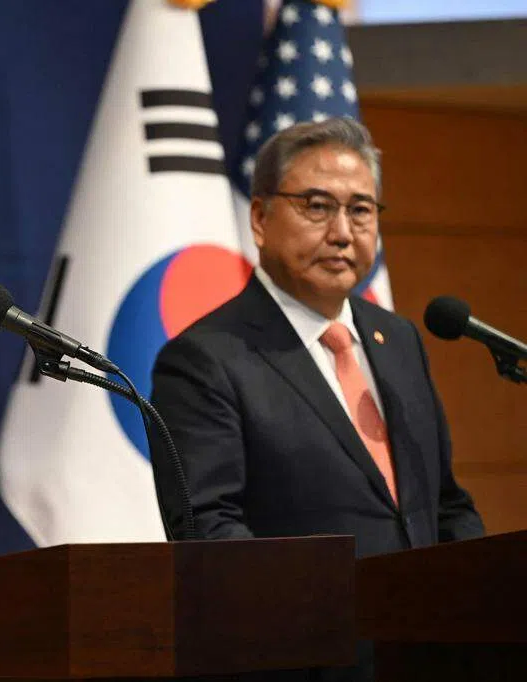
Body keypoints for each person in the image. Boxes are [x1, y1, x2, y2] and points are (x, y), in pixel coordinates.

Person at [149, 118, 484, 681]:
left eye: (361, 210)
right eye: (317, 206)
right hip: (305, 661)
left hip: (427, 655)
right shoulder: (205, 359)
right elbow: (209, 532)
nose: (343, 232)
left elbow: (445, 504)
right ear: (261, 218)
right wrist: (339, 622)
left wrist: (478, 602)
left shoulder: (398, 339)